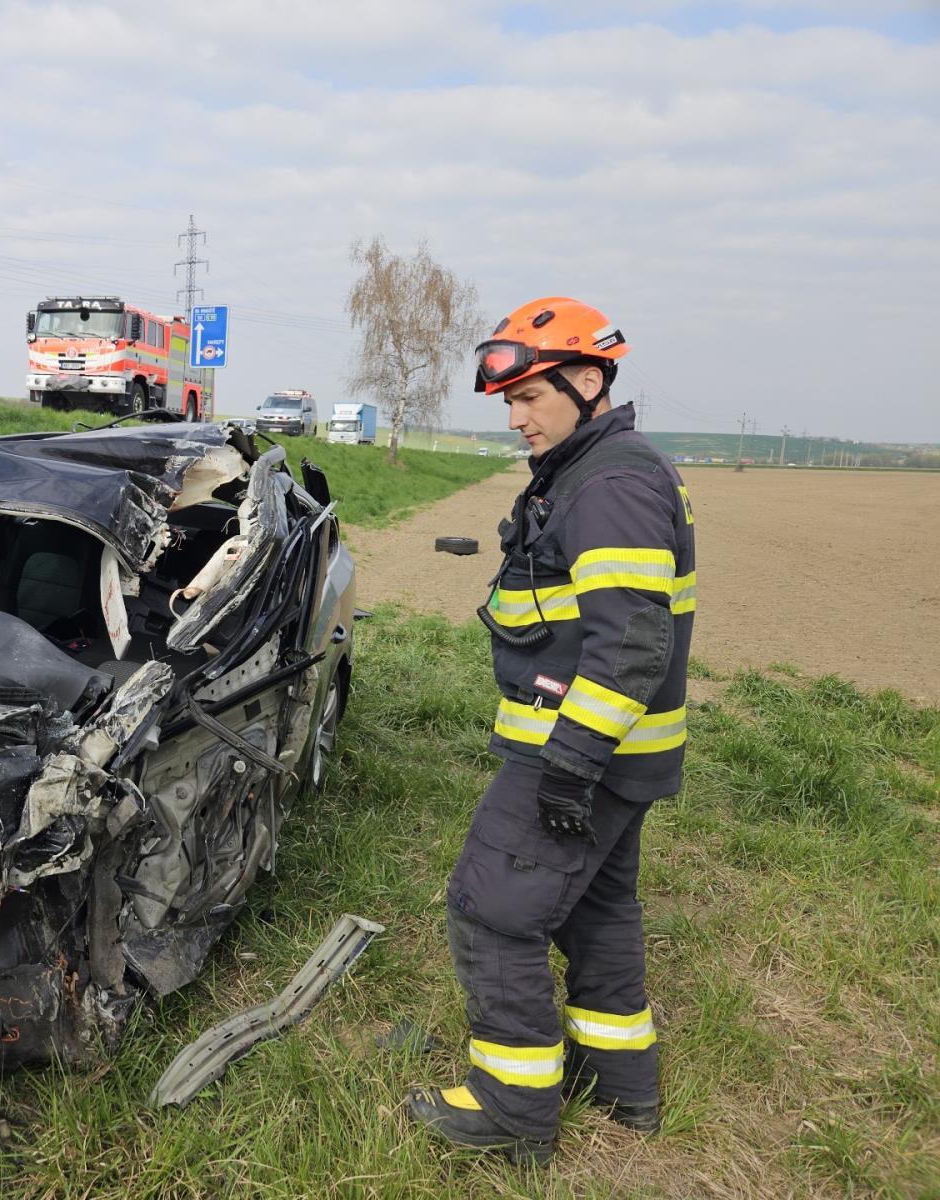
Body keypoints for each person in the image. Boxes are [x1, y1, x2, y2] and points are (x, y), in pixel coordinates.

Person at [406, 297, 696, 1164]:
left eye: (531, 396)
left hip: (580, 755)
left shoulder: (610, 485)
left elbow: (633, 640)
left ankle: (513, 1107)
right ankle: (620, 1083)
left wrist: (569, 763)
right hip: (620, 758)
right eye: (509, 401)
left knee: (490, 909)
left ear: (589, 379)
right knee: (598, 908)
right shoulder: (597, 471)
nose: (516, 417)